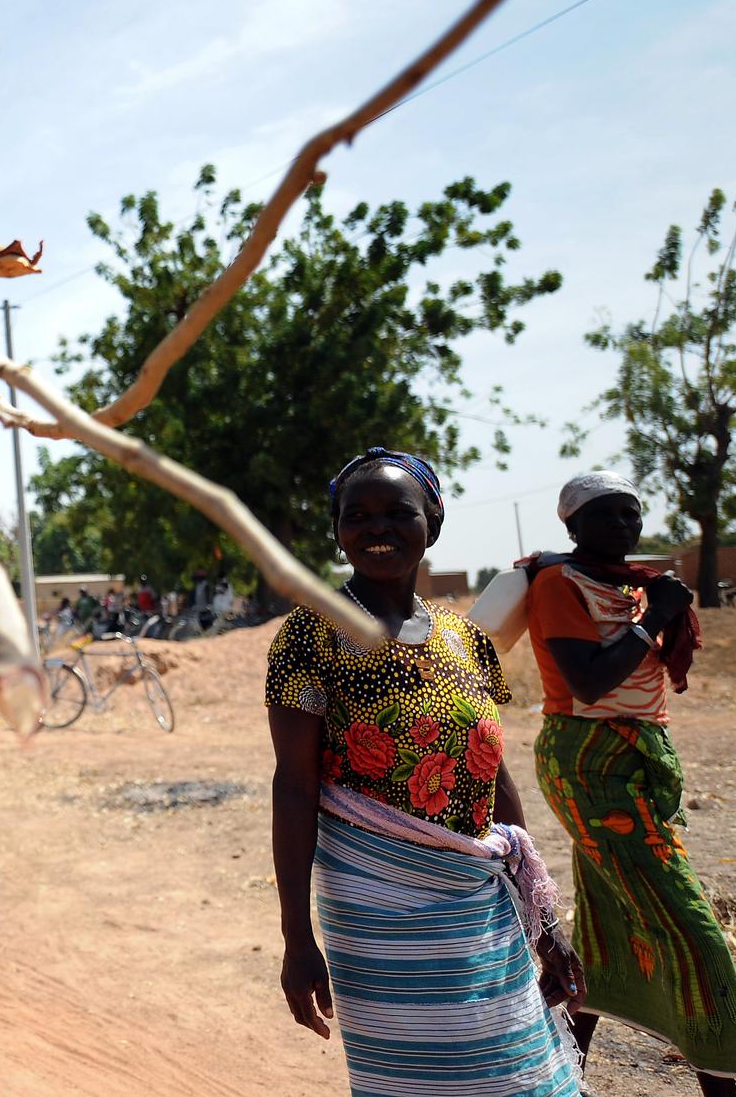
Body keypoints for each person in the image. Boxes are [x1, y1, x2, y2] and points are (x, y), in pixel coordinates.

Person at [266, 447, 582, 1095]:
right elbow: (294, 788)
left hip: (481, 906)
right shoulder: (309, 634)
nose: (376, 527)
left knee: (511, 1071)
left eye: (396, 512)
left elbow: (493, 777)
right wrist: (297, 939)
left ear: (432, 524)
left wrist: (543, 922)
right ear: (338, 531)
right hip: (379, 915)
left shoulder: (466, 639)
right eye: (358, 515)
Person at [526, 471, 736, 1093]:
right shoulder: (558, 583)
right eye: (607, 515)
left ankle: (559, 1077)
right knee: (695, 932)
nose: (624, 527)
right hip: (589, 760)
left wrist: (653, 610)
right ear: (572, 525)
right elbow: (589, 681)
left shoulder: (631, 588)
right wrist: (656, 618)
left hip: (636, 755)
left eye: (632, 514)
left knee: (609, 923)